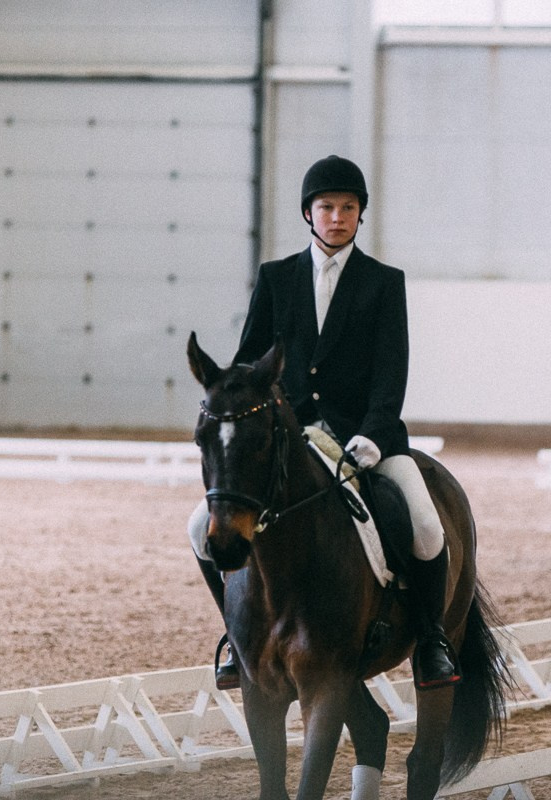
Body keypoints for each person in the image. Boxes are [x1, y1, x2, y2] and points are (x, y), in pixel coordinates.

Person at [187, 154, 460, 692]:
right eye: (327, 207)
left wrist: (373, 436)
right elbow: (249, 365)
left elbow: (391, 374)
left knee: (427, 526)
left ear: (361, 215)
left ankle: (430, 639)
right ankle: (236, 635)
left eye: (348, 208)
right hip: (289, 439)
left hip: (367, 437)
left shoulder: (384, 283)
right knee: (200, 528)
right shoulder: (276, 278)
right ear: (308, 214)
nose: (338, 216)